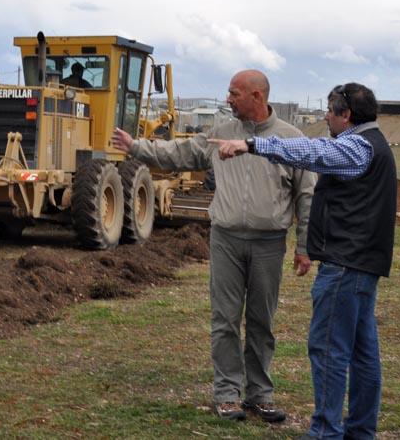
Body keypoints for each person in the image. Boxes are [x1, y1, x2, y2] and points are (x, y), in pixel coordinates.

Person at [111, 69, 315, 423]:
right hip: (226, 240)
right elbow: (182, 152)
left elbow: (307, 195)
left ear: (257, 96)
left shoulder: (291, 139)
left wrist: (305, 245)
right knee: (225, 320)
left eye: (234, 93)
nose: (228, 99)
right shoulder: (222, 133)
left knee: (261, 321)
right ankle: (226, 395)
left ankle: (260, 395)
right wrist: (137, 147)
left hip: (269, 244)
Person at [210, 82, 397, 439]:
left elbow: (313, 153)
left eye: (330, 110)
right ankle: (360, 430)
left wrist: (252, 144)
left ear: (347, 115)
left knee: (328, 349)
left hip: (345, 265)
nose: (325, 116)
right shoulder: (374, 143)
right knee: (362, 353)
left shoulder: (357, 146)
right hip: (360, 265)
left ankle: (325, 431)